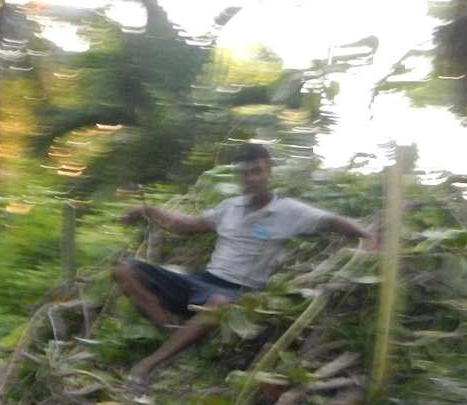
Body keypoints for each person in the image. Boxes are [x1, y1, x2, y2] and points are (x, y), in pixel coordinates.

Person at [113, 143, 375, 390]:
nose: (251, 178)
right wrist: (147, 210)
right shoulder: (230, 207)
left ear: (269, 173)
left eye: (257, 171)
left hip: (241, 291)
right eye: (245, 173)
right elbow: (185, 225)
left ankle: (147, 365)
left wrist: (367, 235)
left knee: (218, 303)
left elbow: (332, 221)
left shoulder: (289, 211)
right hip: (204, 280)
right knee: (125, 270)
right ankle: (176, 338)